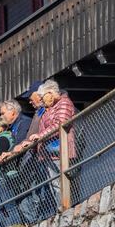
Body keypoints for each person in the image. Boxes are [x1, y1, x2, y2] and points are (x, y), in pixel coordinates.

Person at [27, 80, 76, 210]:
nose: (42, 101)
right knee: (55, 184)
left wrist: (41, 135)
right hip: (49, 153)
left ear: (50, 93)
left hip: (61, 150)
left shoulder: (64, 103)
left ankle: (67, 209)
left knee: (64, 181)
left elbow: (60, 123)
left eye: (43, 97)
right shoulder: (48, 109)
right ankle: (62, 210)